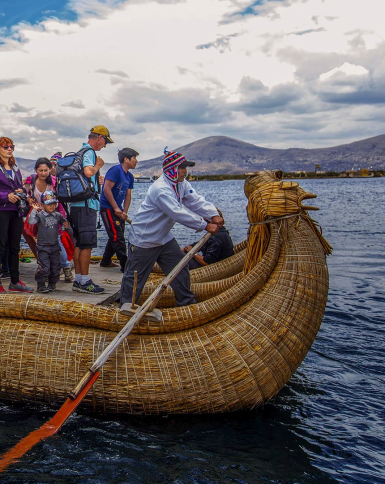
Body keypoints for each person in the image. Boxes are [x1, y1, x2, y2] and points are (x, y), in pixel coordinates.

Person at [120, 147, 223, 308]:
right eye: (181, 168)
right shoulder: (161, 189)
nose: (184, 171)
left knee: (180, 268)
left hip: (164, 237)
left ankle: (186, 303)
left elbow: (194, 200)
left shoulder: (180, 184)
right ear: (172, 170)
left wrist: (213, 214)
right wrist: (205, 225)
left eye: (185, 168)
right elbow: (177, 212)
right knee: (135, 278)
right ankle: (125, 307)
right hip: (145, 239)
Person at [69, 125, 114, 295]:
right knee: (86, 245)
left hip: (76, 205)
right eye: (105, 142)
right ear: (99, 138)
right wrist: (97, 166)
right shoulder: (89, 153)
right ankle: (85, 281)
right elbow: (88, 172)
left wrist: (96, 179)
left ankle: (79, 279)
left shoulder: (80, 152)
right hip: (87, 205)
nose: (104, 145)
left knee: (79, 244)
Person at [24, 157, 73, 283]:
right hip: (39, 216)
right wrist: (29, 200)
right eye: (41, 170)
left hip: (54, 215)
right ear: (36, 170)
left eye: (46, 170)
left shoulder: (54, 182)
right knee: (39, 241)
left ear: (50, 169)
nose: (44, 173)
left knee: (57, 241)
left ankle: (66, 267)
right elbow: (27, 195)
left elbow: (61, 199)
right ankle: (45, 267)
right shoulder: (31, 180)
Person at [0, 137, 33, 293]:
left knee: (14, 247)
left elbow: (21, 187)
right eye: (6, 146)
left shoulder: (15, 168)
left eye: (12, 146)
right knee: (0, 247)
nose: (10, 149)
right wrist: (6, 197)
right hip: (2, 210)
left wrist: (22, 192)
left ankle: (14, 282)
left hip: (16, 211)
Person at [99, 147, 138, 272]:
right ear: (126, 159)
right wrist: (115, 207)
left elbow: (127, 195)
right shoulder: (115, 170)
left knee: (115, 234)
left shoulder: (129, 176)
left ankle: (105, 261)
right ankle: (125, 265)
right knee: (118, 237)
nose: (136, 161)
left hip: (119, 210)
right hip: (108, 208)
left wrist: (124, 211)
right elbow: (106, 189)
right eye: (134, 158)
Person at [28, 191, 69, 293]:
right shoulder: (40, 215)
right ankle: (41, 284)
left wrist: (65, 225)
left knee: (56, 267)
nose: (51, 206)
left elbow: (63, 226)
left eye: (53, 204)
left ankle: (52, 284)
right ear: (42, 205)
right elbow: (31, 221)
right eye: (48, 204)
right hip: (43, 247)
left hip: (55, 246)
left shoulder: (57, 215)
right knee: (45, 267)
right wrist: (34, 210)